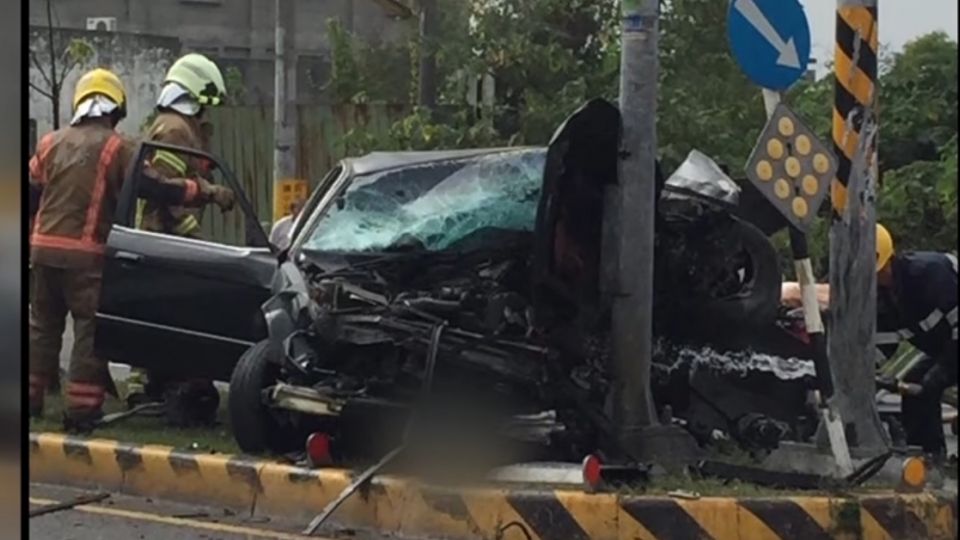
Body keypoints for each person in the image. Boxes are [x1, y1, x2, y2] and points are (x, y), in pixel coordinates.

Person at [27, 68, 235, 433]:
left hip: (42, 252)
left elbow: (31, 194)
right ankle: (81, 412)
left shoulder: (49, 143)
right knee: (91, 331)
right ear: (116, 109)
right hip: (87, 256)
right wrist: (206, 192)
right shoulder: (118, 148)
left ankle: (29, 402)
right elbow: (158, 188)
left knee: (42, 327)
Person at [874, 223, 958, 457]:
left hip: (953, 346)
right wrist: (865, 374)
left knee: (930, 383)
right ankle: (923, 457)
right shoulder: (884, 300)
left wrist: (943, 369)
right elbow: (884, 344)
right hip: (946, 349)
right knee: (914, 387)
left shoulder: (930, 273)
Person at [136, 53, 234, 238]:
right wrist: (196, 240)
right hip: (164, 242)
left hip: (162, 241)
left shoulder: (173, 124)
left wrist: (211, 191)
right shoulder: (176, 131)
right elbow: (167, 195)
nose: (206, 112)